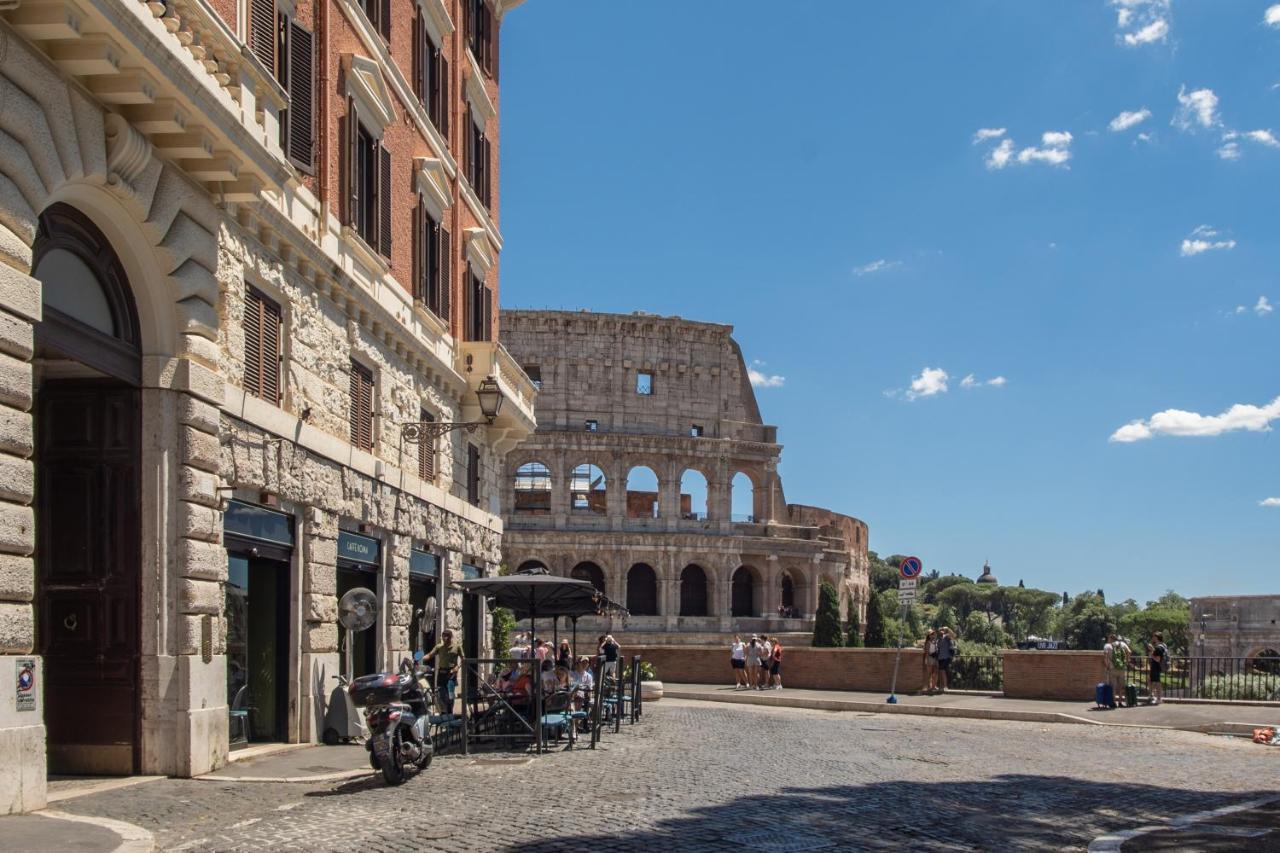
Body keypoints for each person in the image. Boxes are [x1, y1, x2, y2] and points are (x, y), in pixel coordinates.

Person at [422, 629, 463, 714]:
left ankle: (450, 712)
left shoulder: (457, 647)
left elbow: (463, 659)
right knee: (441, 694)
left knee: (450, 695)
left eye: (446, 636)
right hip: (441, 673)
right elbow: (429, 655)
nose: (444, 638)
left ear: (451, 637)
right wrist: (419, 657)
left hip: (451, 674)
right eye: (443, 636)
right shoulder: (439, 647)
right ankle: (443, 711)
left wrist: (458, 667)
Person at [1103, 633, 1131, 703]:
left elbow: (1105, 656)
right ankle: (1120, 702)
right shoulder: (1123, 644)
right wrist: (1126, 662)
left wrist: (1107, 666)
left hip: (1112, 668)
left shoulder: (1108, 645)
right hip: (1122, 668)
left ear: (1110, 639)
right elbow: (1129, 652)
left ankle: (1114, 702)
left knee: (1113, 687)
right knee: (1121, 686)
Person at [1147, 631, 1169, 705]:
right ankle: (1152, 696)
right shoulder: (1163, 645)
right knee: (1151, 680)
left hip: (1156, 667)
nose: (1152, 638)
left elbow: (1157, 659)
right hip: (1157, 667)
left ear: (1156, 638)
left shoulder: (1158, 648)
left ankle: (1158, 698)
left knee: (1157, 683)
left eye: (1153, 637)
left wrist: (1151, 653)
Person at [935, 627, 955, 692]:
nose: (940, 631)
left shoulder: (946, 637)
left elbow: (953, 635)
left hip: (946, 657)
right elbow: (938, 648)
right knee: (940, 672)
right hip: (940, 657)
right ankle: (941, 686)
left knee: (942, 671)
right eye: (940, 630)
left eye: (942, 630)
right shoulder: (939, 639)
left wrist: (948, 628)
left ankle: (945, 686)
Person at [923, 629, 940, 694]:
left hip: (935, 658)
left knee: (935, 672)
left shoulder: (935, 641)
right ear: (929, 636)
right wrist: (926, 659)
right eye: (931, 634)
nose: (933, 635)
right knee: (929, 673)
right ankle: (929, 687)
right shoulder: (928, 642)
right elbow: (927, 651)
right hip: (930, 658)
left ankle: (934, 686)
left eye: (933, 634)